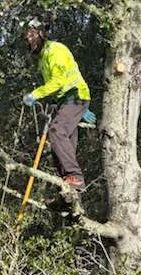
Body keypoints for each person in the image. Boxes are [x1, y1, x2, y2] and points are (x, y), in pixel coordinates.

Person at [21, 19, 93, 193]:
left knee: (56, 131)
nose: (28, 40)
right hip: (66, 101)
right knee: (61, 144)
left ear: (40, 34)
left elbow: (59, 81)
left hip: (76, 96)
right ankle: (69, 191)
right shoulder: (43, 58)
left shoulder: (55, 50)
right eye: (26, 37)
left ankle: (74, 177)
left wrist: (35, 94)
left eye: (31, 35)